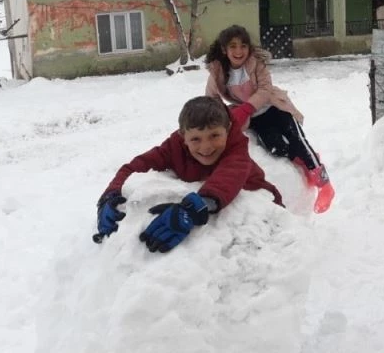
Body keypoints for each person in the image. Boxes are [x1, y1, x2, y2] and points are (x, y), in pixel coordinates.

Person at [94, 96, 283, 253]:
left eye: (215, 136)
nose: (206, 147)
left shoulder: (236, 147)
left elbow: (229, 174)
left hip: (261, 207)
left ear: (227, 130)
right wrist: (110, 195)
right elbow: (135, 167)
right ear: (183, 137)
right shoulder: (174, 147)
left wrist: (195, 208)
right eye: (195, 139)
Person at [204, 24, 335, 214]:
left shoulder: (256, 64)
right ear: (224, 49)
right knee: (276, 148)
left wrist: (247, 107)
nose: (239, 51)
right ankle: (304, 163)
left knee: (298, 140)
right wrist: (221, 117)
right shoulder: (218, 72)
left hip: (274, 106)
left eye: (243, 46)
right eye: (233, 46)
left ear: (249, 48)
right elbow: (211, 99)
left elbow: (265, 90)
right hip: (255, 118)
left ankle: (324, 185)